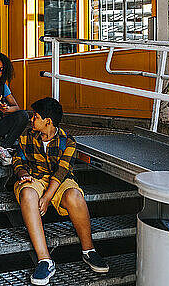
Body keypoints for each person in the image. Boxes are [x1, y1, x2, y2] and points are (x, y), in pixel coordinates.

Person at [12, 98, 109, 285]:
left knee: (75, 196)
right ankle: (45, 260)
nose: (32, 120)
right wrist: (23, 173)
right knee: (28, 195)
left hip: (59, 181)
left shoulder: (68, 141)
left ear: (48, 121)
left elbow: (61, 172)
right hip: (35, 178)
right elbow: (18, 160)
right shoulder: (26, 135)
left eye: (36, 117)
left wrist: (47, 198)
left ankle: (89, 251)